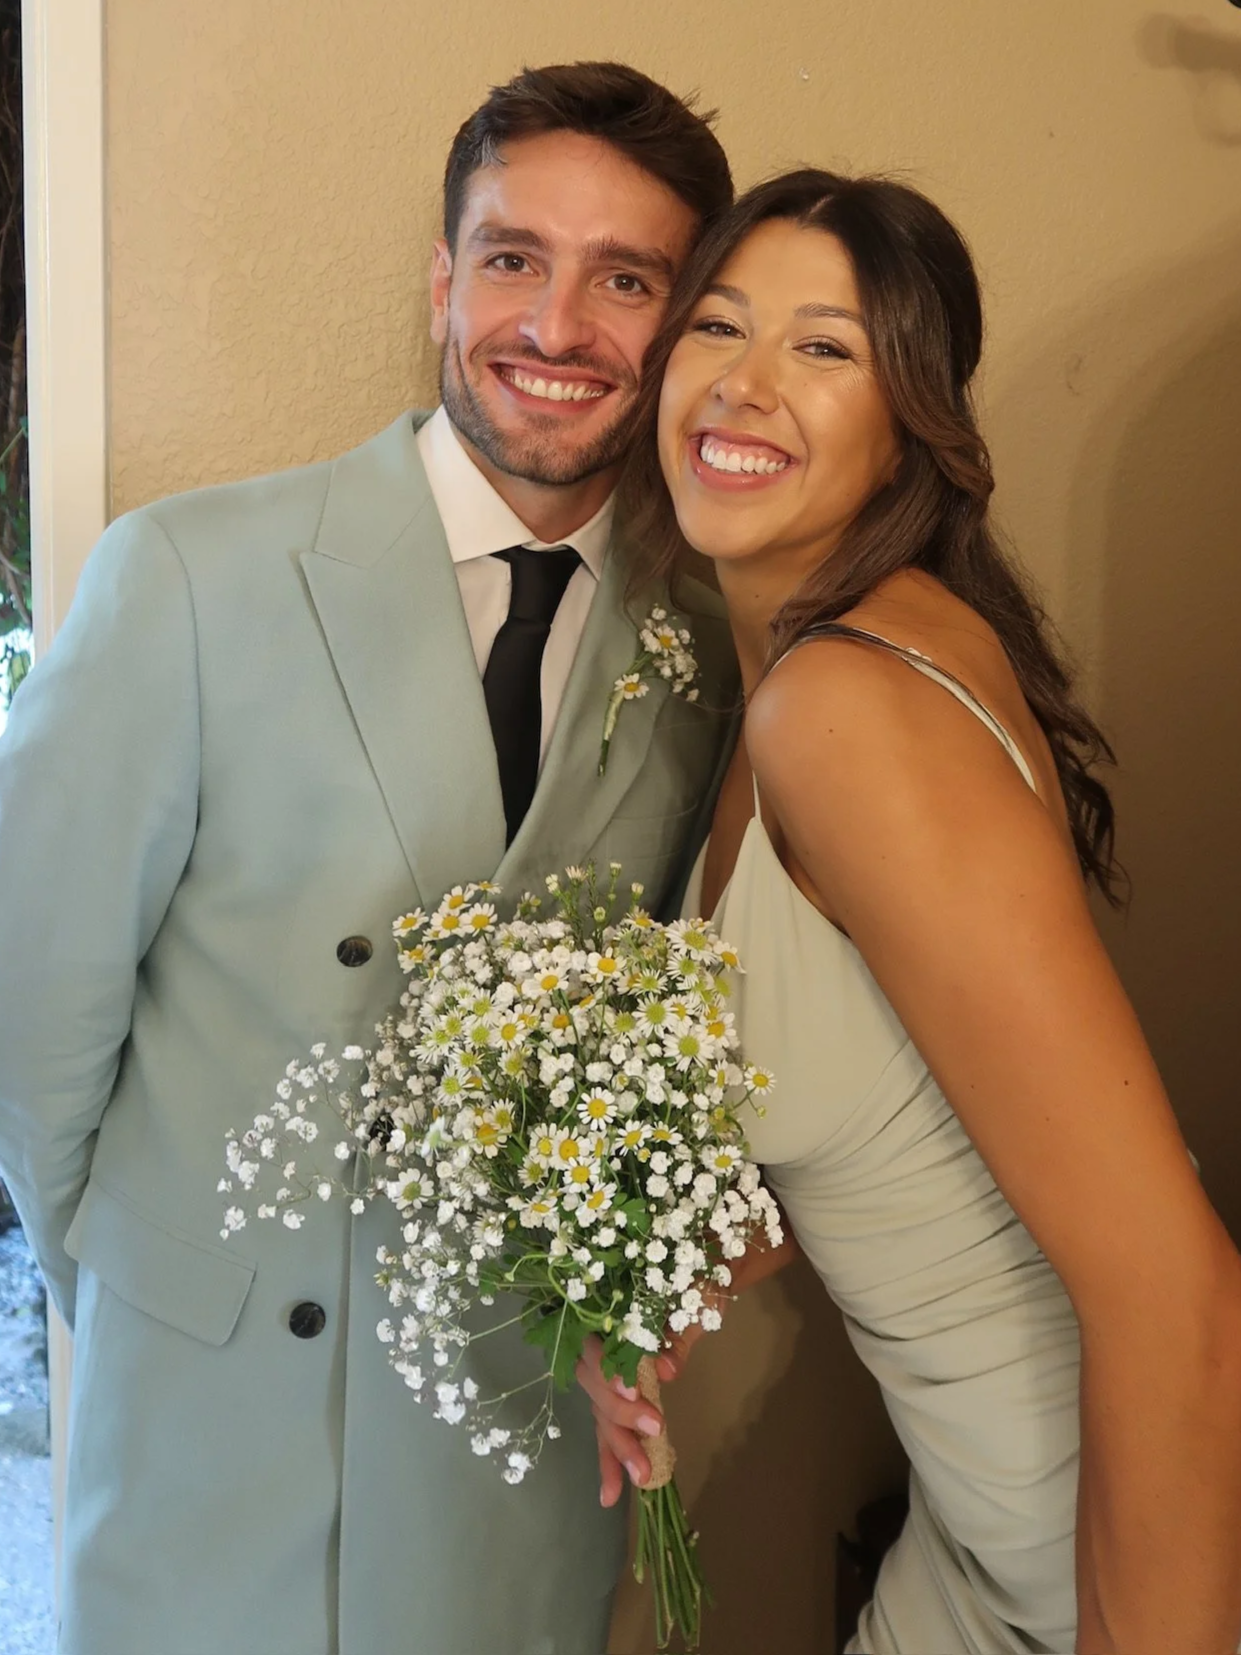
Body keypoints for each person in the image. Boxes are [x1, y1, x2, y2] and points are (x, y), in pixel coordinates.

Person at [0, 63, 739, 1655]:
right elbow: (28, 1027)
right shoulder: (190, 578)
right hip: (215, 1458)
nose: (556, 326)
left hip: (507, 1466)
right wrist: (169, 1295)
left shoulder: (697, 656)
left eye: (628, 279)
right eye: (513, 258)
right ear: (441, 282)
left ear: (680, 330)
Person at [578, 170, 1241, 1653]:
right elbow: (883, 1097)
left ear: (909, 425)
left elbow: (1180, 1286)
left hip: (1103, 1531)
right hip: (988, 1512)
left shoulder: (843, 711)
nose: (744, 385)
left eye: (824, 348)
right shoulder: (850, 650)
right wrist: (646, 1278)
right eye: (720, 326)